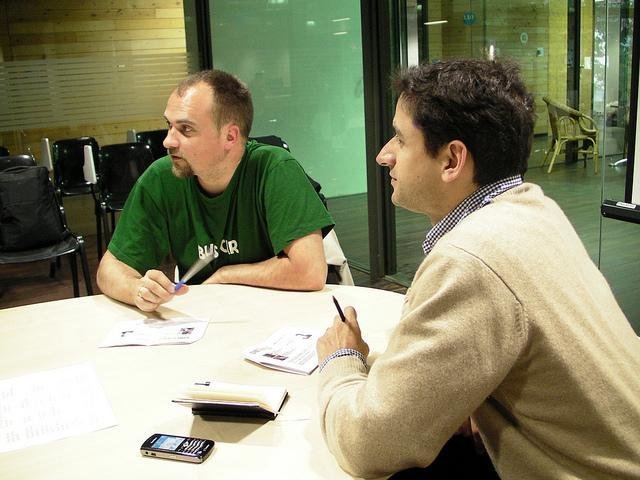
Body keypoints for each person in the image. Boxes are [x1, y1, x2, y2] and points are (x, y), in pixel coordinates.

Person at [316, 58, 640, 479]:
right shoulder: (535, 209)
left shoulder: (470, 261)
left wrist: (340, 360)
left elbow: (368, 446)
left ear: (452, 160)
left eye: (400, 138)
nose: (384, 155)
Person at [97, 69, 334, 312]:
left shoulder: (274, 169)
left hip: (281, 313)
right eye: (169, 125)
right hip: (209, 317)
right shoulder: (161, 178)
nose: (168, 141)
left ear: (230, 136)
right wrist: (137, 289)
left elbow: (310, 271)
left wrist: (226, 274)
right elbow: (110, 269)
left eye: (186, 129)